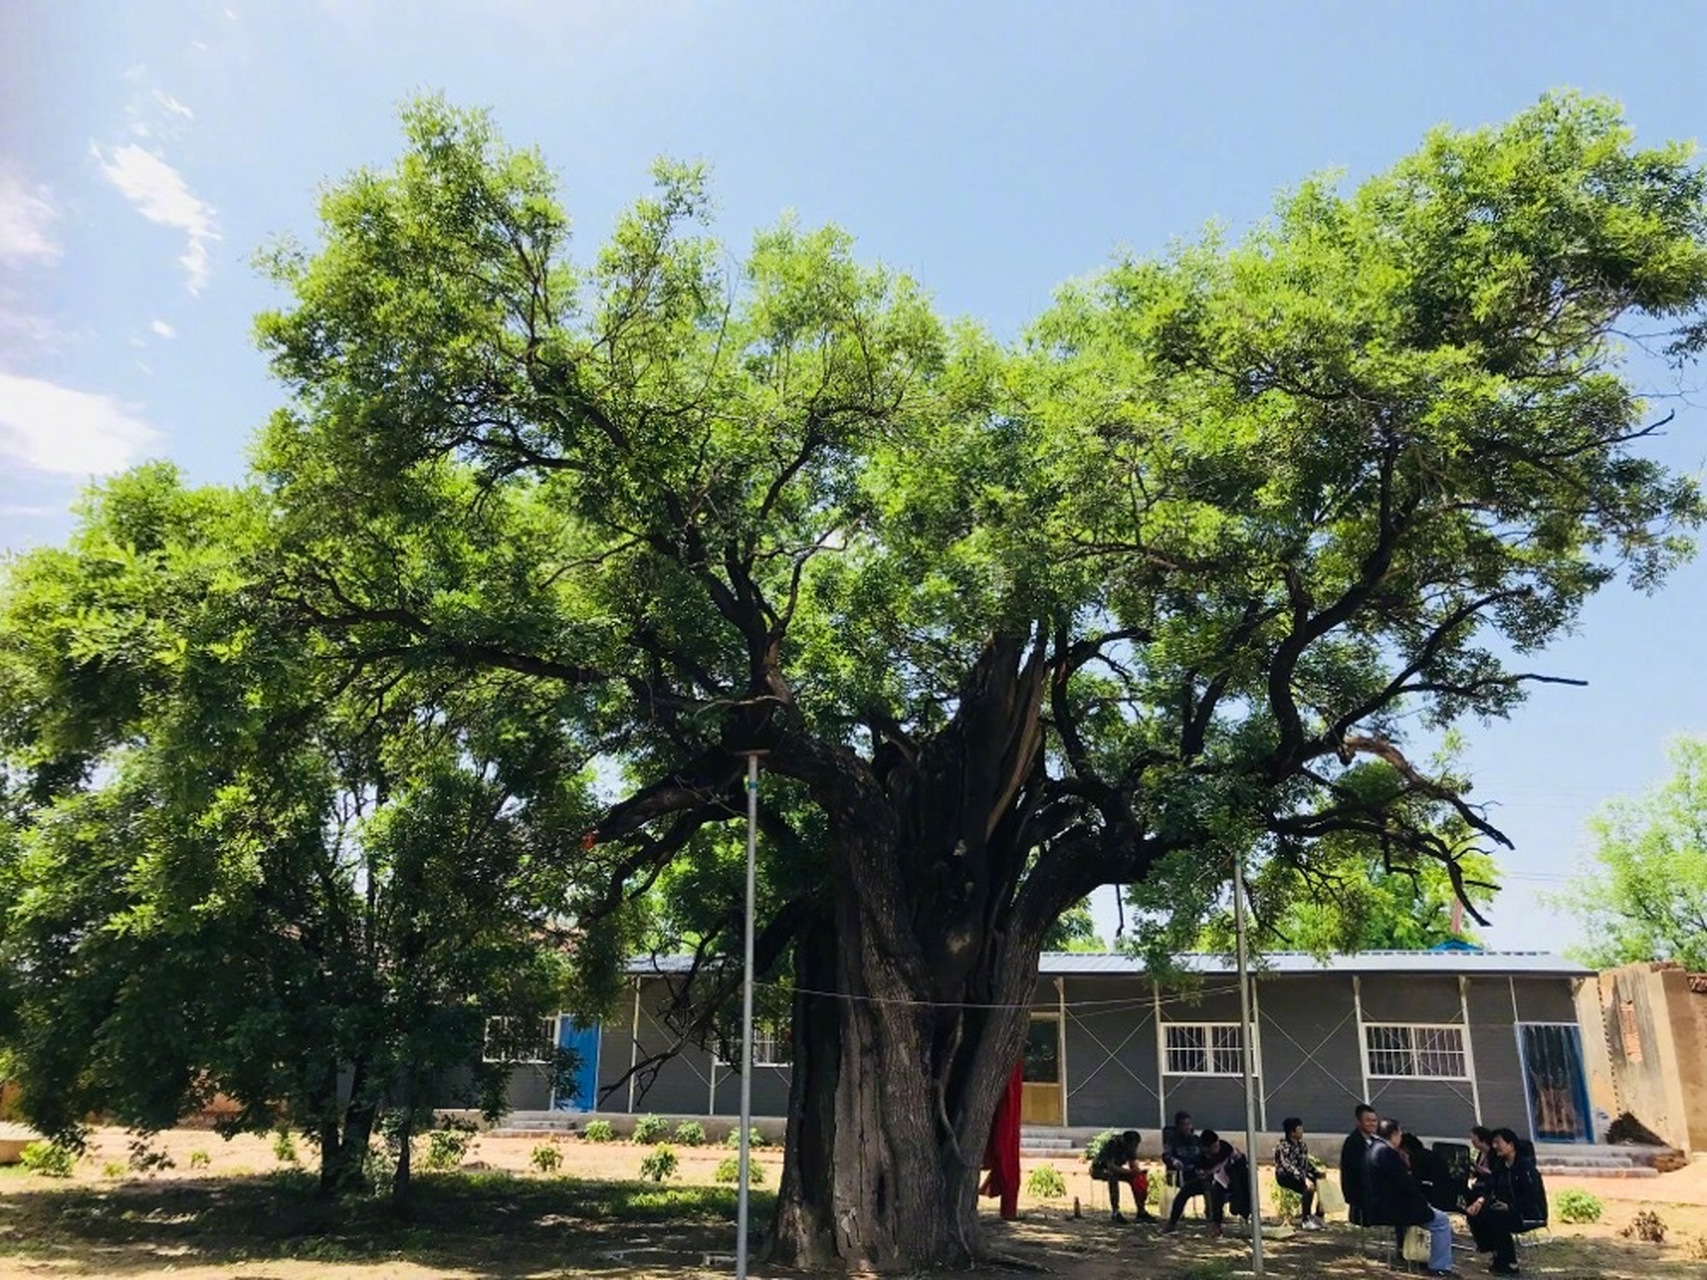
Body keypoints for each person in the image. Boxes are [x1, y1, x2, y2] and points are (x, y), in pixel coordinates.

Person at [1365, 1117, 1456, 1277]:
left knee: (1431, 1214)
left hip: (1378, 1204)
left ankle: (1417, 1255)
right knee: (1441, 1221)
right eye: (1399, 1133)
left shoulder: (1371, 1149)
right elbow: (1405, 1183)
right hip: (1395, 1208)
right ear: (1394, 1134)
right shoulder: (1387, 1153)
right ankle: (1440, 1267)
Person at [1466, 1127, 1546, 1276]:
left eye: (1498, 1142)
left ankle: (1510, 1263)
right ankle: (1495, 1253)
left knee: (1497, 1219)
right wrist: (1479, 1202)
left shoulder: (1525, 1167)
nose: (1495, 1146)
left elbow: (1531, 1195)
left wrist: (1511, 1206)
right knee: (1476, 1214)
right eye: (1493, 1143)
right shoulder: (1501, 1166)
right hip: (1507, 1209)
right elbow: (1490, 1185)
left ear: (1511, 1145)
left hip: (1528, 1212)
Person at [1089, 1129, 1151, 1224]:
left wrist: (1138, 1173)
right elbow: (1111, 1166)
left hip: (1117, 1170)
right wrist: (1130, 1172)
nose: (1134, 1149)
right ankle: (1115, 1211)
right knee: (1112, 1176)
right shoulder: (1113, 1144)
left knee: (1136, 1178)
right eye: (1133, 1146)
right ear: (1126, 1142)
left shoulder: (1130, 1148)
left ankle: (1141, 1210)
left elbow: (1133, 1164)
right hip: (1099, 1169)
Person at [1159, 1112, 1205, 1235]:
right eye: (1184, 1125)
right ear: (1178, 1127)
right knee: (1184, 1193)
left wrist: (1203, 1168)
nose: (1187, 1127)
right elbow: (1166, 1155)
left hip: (1200, 1173)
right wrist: (1174, 1161)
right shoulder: (1173, 1140)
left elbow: (1205, 1156)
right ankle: (1172, 1222)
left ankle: (1212, 1215)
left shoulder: (1197, 1140)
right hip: (1183, 1173)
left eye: (1189, 1124)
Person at [1275, 1117, 1324, 1229]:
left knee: (1322, 1184)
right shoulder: (1283, 1147)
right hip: (1285, 1176)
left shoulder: (1302, 1145)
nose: (1302, 1131)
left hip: (1300, 1174)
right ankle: (1305, 1220)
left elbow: (1305, 1163)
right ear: (1292, 1132)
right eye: (1299, 1129)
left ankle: (1318, 1216)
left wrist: (1317, 1173)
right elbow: (1288, 1166)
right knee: (1309, 1187)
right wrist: (1304, 1178)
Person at [1339, 1103, 1380, 1225]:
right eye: (1368, 1120)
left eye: (1374, 1120)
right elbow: (1354, 1170)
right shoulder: (1353, 1143)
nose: (1372, 1123)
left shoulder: (1375, 1141)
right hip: (1360, 1193)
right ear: (1359, 1122)